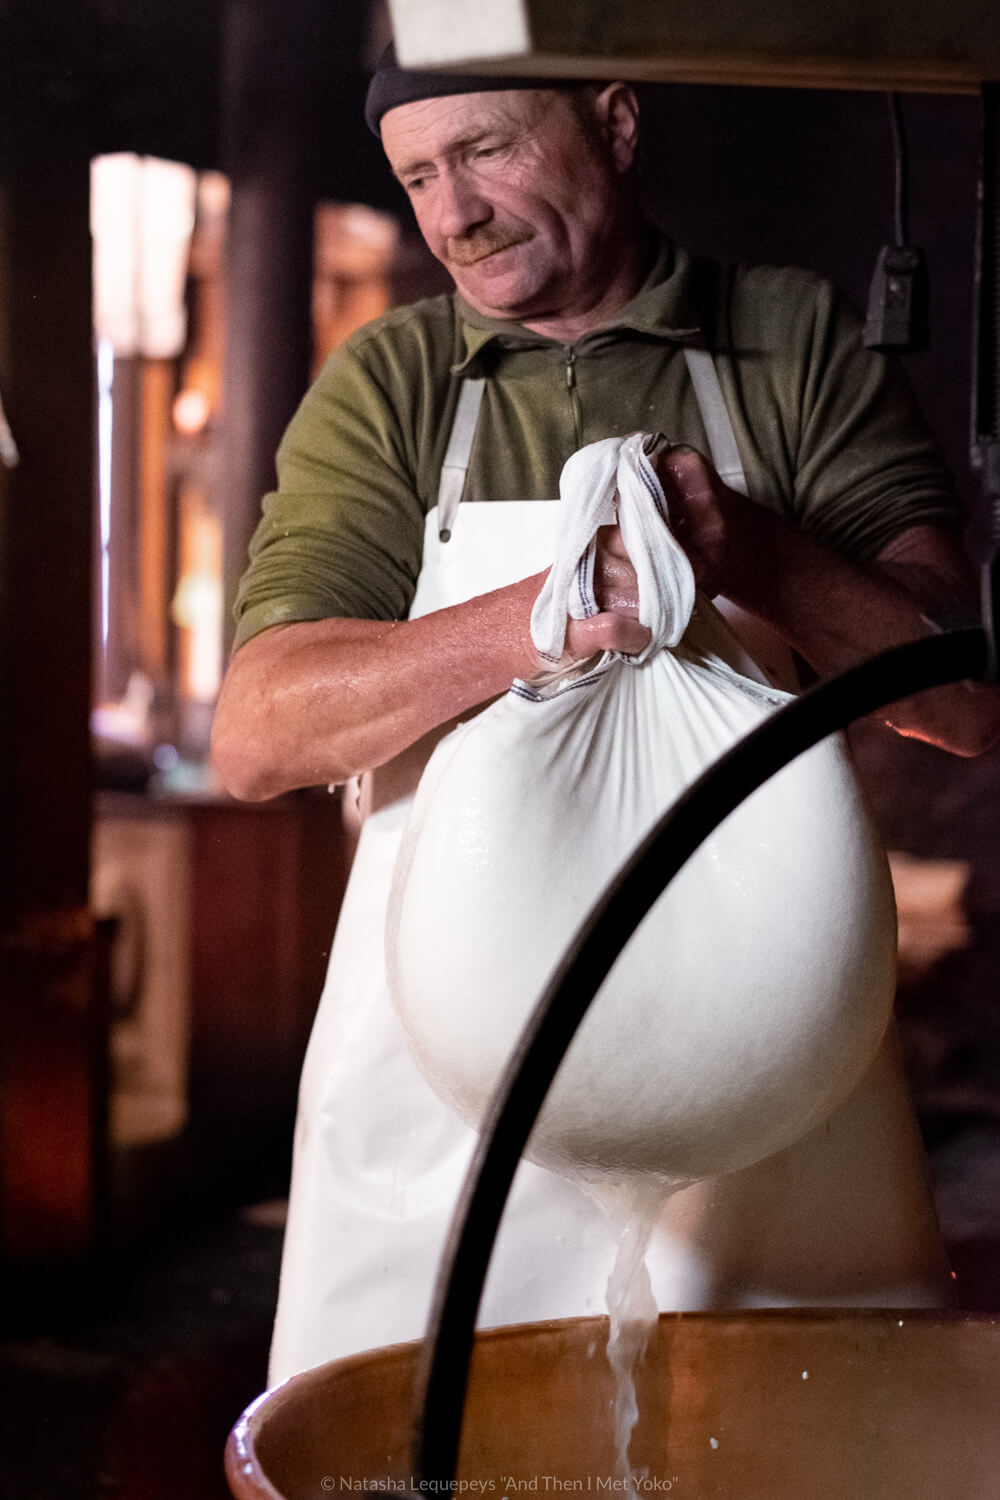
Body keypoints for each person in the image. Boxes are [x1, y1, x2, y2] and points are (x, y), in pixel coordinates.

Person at [211, 48, 1000, 1384]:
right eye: (419, 175)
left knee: (785, 1444)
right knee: (425, 1437)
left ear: (615, 123)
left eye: (487, 151)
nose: (454, 211)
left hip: (765, 1062)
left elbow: (964, 703)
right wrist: (530, 618)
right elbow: (258, 733)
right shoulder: (398, 382)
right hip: (452, 1071)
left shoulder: (787, 340)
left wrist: (746, 551)